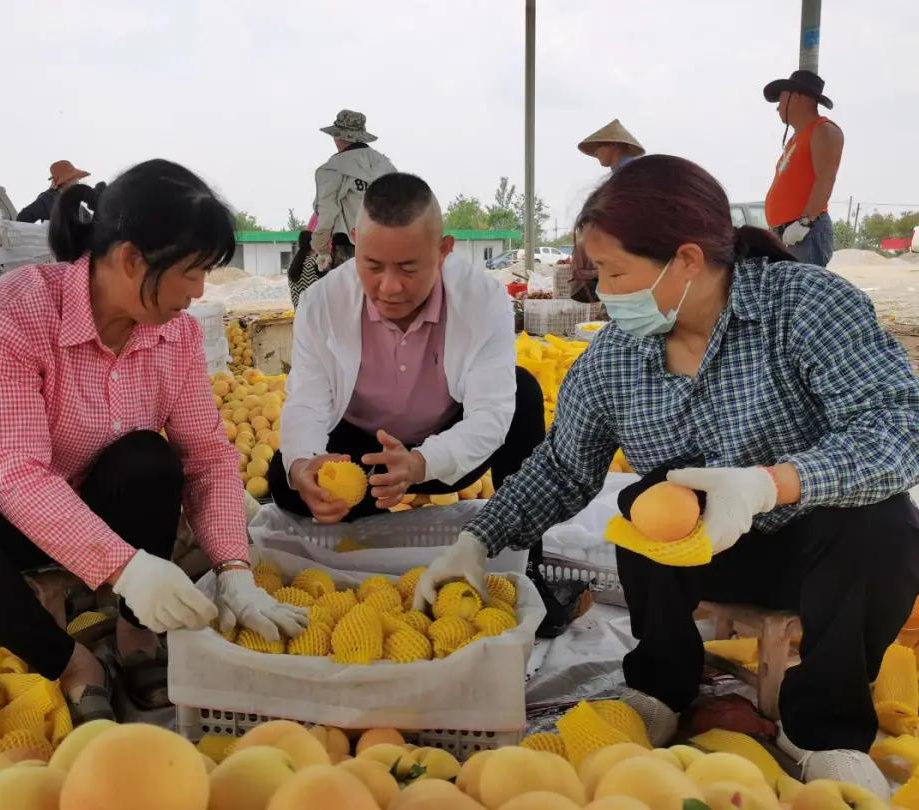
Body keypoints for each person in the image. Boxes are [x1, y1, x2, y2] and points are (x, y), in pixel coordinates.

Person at [414, 155, 919, 798]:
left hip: (814, 548)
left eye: (616, 272)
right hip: (695, 552)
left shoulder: (807, 306)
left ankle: (821, 727)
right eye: (597, 272)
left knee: (884, 523)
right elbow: (565, 464)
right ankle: (659, 683)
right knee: (648, 499)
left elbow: (898, 427)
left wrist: (772, 483)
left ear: (685, 260)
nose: (601, 291)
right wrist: (477, 541)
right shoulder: (615, 358)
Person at [0, 160, 307, 722]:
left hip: (97, 507)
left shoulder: (174, 335)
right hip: (8, 518)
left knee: (148, 459)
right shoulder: (17, 312)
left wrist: (234, 570)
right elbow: (14, 471)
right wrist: (125, 567)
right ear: (132, 259)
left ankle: (137, 634)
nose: (200, 291)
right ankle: (69, 661)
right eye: (192, 272)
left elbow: (207, 456)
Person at [270, 172, 545, 526]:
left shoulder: (483, 301)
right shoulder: (322, 303)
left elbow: (490, 415)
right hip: (362, 454)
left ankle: (524, 550)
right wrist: (304, 464)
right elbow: (306, 402)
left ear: (444, 251)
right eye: (372, 265)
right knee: (287, 476)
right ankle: (361, 532)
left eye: (408, 268)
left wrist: (421, 463)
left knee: (523, 396)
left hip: (445, 442)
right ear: (356, 242)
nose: (390, 286)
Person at [763, 69, 844, 267]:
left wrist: (804, 223)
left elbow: (825, 179)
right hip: (790, 234)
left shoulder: (823, 130)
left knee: (805, 296)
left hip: (806, 233)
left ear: (797, 97)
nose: (778, 108)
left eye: (781, 101)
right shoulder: (797, 137)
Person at [312, 110, 396, 272]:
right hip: (387, 249)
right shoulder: (386, 166)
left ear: (338, 137)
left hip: (350, 250)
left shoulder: (332, 170)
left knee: (349, 296)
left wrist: (321, 248)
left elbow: (327, 213)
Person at [15, 160, 91, 223]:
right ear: (68, 180)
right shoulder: (49, 199)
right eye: (77, 179)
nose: (78, 182)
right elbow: (23, 217)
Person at [577, 119, 645, 173]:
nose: (595, 152)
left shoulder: (632, 173)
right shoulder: (627, 172)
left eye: (598, 147)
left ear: (613, 145)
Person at [287, 229, 322, 310]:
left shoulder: (292, 266)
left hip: (299, 317)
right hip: (315, 315)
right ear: (313, 244)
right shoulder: (316, 263)